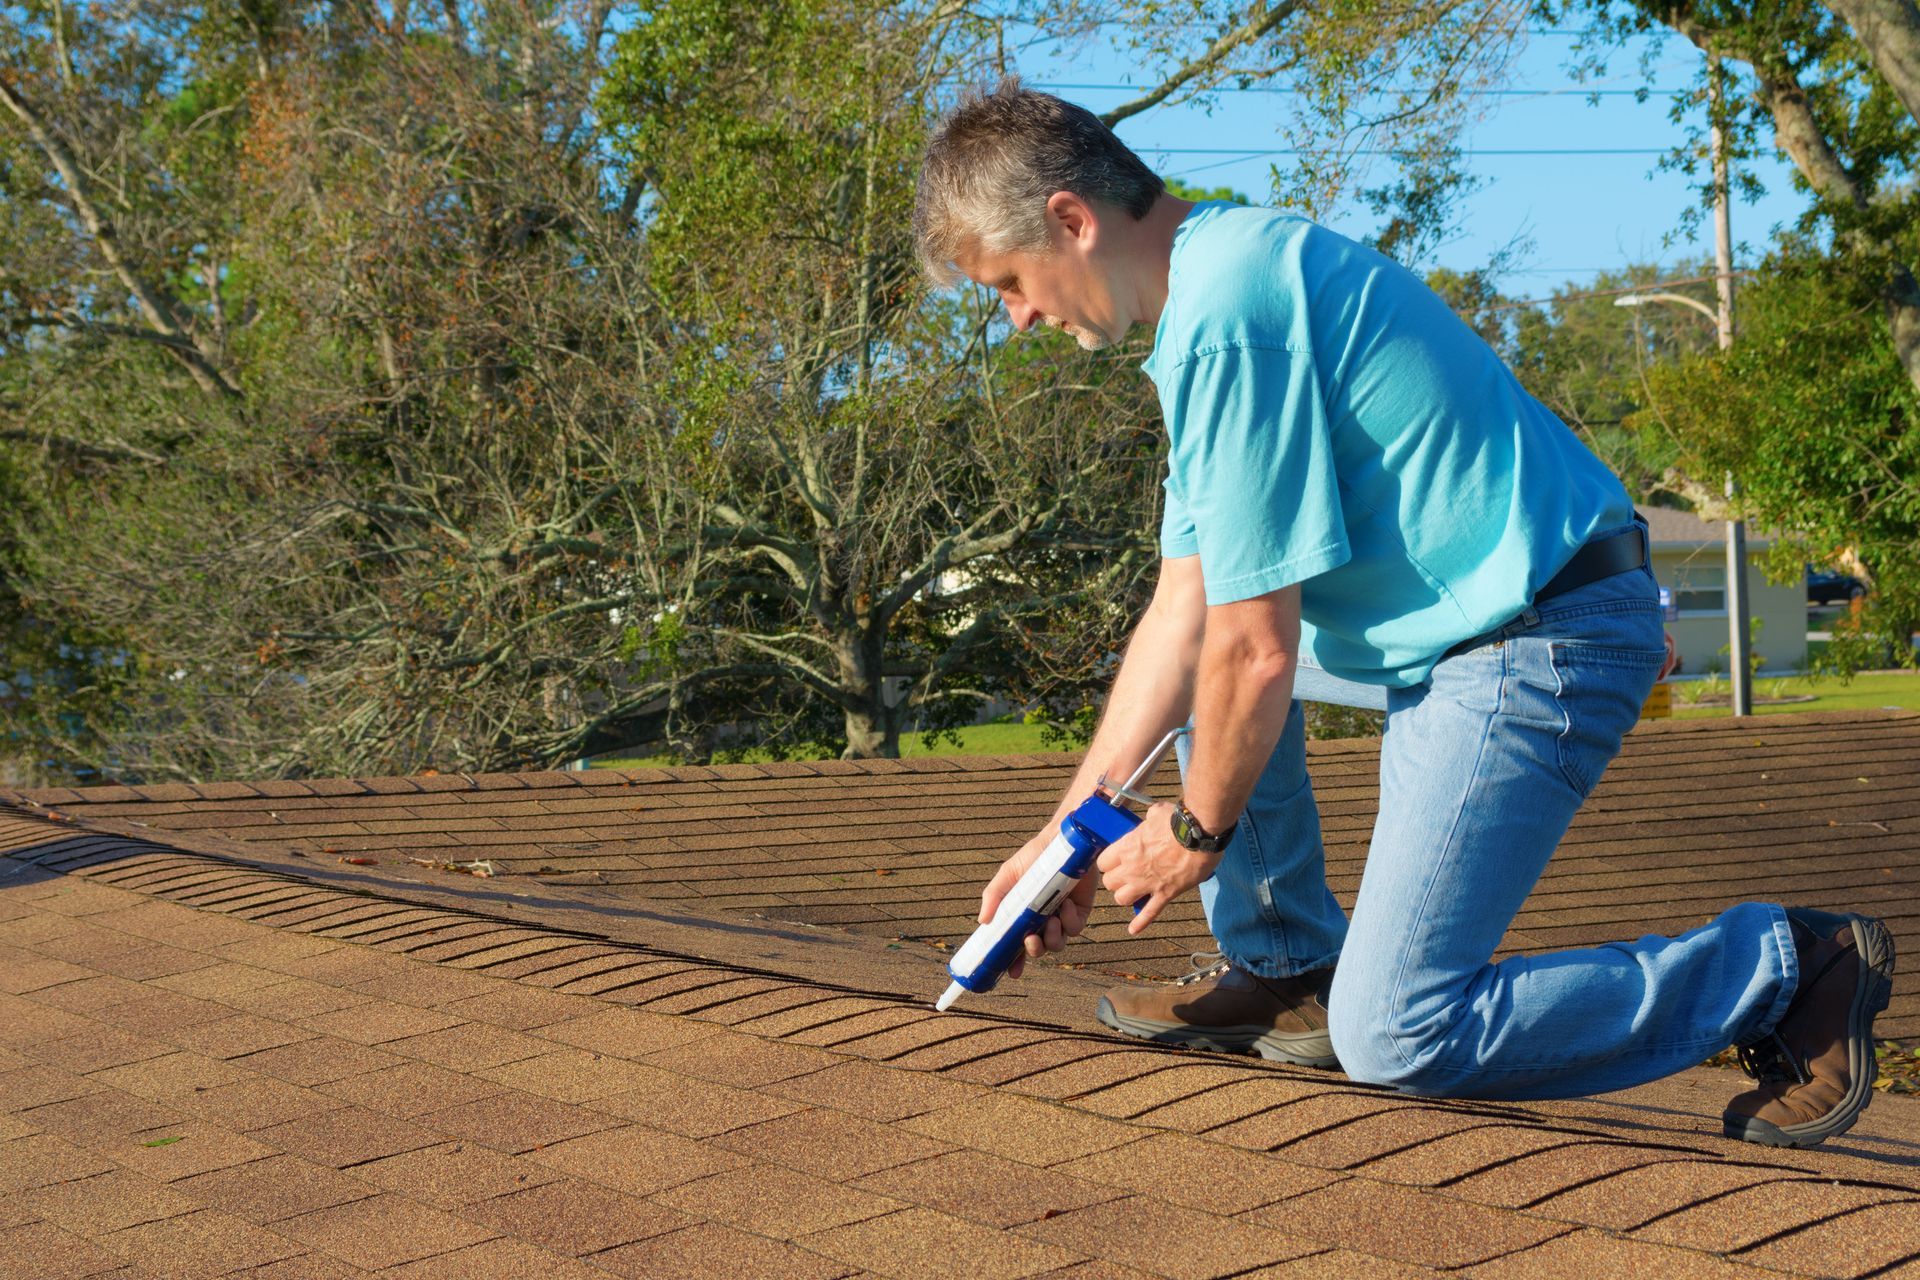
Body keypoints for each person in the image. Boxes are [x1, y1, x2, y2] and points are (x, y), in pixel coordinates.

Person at [911, 80, 1894, 1149]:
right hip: (1464, 626)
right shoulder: (1213, 290)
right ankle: (1287, 966)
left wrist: (1196, 832)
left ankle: (1788, 966)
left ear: (1070, 219)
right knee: (1206, 675)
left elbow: (1254, 646)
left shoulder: (1230, 316)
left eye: (1007, 283)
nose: (1016, 317)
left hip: (1535, 637)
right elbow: (1185, 614)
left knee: (1397, 1032)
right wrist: (1067, 836)